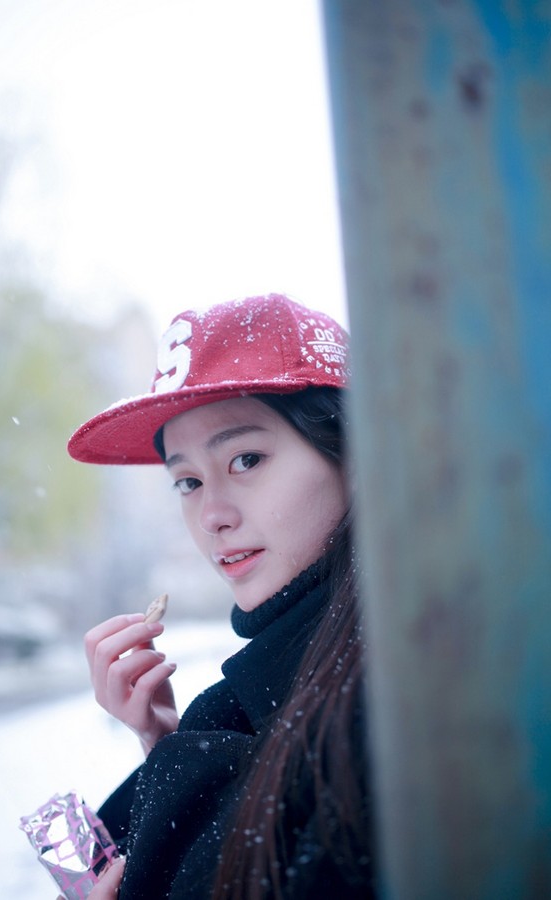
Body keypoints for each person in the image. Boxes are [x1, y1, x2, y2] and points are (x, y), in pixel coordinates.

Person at [67, 293, 374, 899]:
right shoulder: (268, 687)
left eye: (246, 459)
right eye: (187, 481)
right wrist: (166, 745)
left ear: (351, 453)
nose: (212, 515)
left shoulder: (388, 695)